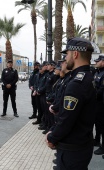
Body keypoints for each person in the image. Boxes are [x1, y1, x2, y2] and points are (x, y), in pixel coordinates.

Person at [46, 37, 96, 170]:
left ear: (75, 54)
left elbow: (67, 119)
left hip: (73, 149)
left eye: (67, 54)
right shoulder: (88, 77)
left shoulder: (77, 83)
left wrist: (52, 137)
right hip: (82, 144)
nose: (66, 58)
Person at [93, 54, 104, 155]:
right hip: (96, 103)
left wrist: (94, 95)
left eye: (98, 61)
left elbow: (101, 89)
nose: (96, 63)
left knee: (101, 124)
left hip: (101, 102)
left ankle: (102, 146)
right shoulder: (97, 72)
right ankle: (96, 140)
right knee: (97, 123)